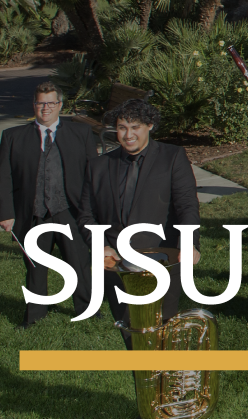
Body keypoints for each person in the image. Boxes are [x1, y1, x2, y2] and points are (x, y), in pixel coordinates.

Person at [79, 99, 200, 348]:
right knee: (132, 337)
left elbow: (187, 206)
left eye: (135, 127)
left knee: (162, 334)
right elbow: (86, 216)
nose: (128, 134)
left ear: (150, 126)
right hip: (117, 266)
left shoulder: (172, 157)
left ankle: (164, 384)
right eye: (122, 128)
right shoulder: (98, 166)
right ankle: (143, 384)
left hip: (162, 262)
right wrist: (100, 246)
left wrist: (189, 244)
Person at [0, 82, 98, 326]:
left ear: (60, 105)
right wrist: (6, 213)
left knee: (78, 262)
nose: (45, 108)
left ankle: (87, 310)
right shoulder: (13, 137)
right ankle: (34, 316)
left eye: (51, 103)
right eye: (41, 103)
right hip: (33, 213)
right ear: (34, 105)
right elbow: (3, 177)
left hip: (69, 211)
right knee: (35, 266)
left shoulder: (80, 134)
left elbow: (94, 174)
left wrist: (93, 210)